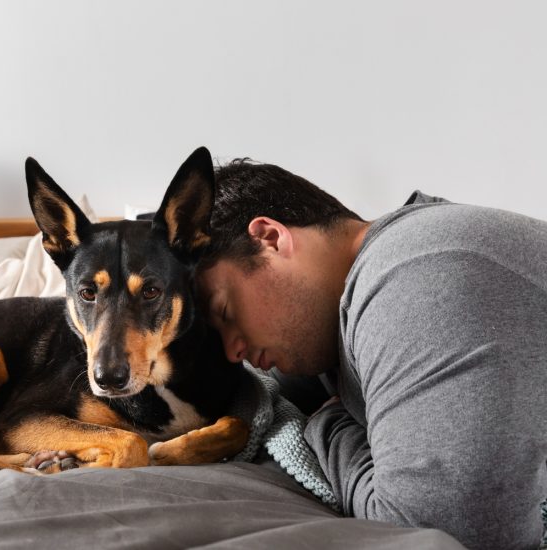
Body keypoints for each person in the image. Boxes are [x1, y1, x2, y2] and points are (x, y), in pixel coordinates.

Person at [195, 159, 547, 550]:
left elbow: (437, 531)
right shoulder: (328, 332)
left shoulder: (412, 273)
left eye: (226, 312)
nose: (233, 351)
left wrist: (328, 424)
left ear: (270, 239)